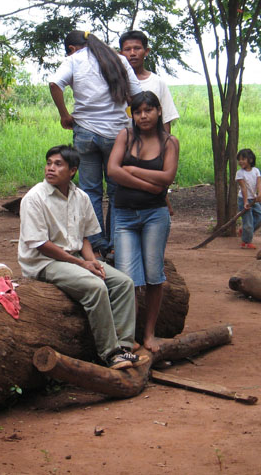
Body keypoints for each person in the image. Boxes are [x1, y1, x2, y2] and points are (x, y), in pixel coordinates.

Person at [18, 145, 149, 370]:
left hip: (75, 257)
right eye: (49, 163)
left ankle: (124, 347)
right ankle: (109, 354)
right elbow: (42, 246)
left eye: (58, 164)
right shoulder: (34, 198)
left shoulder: (81, 197)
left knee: (123, 283)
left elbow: (85, 238)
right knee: (95, 286)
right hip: (44, 263)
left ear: (73, 171)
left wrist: (93, 261)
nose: (50, 168)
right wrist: (82, 264)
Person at [48, 30, 143, 258]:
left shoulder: (73, 60)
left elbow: (54, 84)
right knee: (116, 189)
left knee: (90, 190)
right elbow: (138, 94)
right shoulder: (118, 59)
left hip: (85, 133)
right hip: (117, 134)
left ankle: (97, 246)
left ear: (72, 48)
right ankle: (115, 244)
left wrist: (64, 115)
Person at [108, 92, 179, 353]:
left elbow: (168, 177)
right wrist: (150, 185)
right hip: (124, 215)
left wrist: (133, 170)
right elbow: (113, 171)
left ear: (159, 111)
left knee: (153, 276)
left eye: (148, 110)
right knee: (128, 278)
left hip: (155, 216)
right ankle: (130, 337)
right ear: (132, 115)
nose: (143, 116)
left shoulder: (169, 142)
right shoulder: (125, 137)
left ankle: (149, 335)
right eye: (138, 112)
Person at [119, 30, 180, 133]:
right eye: (127, 49)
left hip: (150, 146)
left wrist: (164, 145)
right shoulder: (114, 82)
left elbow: (165, 120)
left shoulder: (158, 82)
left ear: (146, 51)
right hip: (120, 144)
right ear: (121, 54)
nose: (132, 53)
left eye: (137, 48)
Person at [235, 148, 261, 249]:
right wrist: (245, 202)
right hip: (244, 199)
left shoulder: (256, 171)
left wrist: (259, 194)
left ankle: (244, 232)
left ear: (250, 160)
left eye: (243, 159)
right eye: (239, 159)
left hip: (254, 199)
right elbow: (243, 188)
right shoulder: (240, 173)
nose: (240, 161)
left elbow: (259, 183)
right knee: (248, 222)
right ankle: (246, 242)